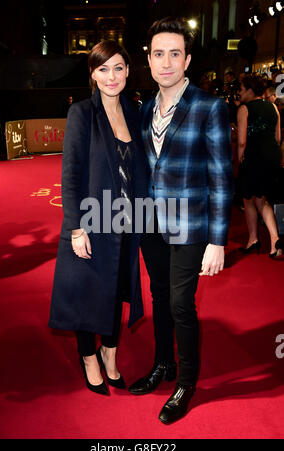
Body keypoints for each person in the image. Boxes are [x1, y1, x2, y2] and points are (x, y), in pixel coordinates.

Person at [128, 17, 234, 424]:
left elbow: (222, 178)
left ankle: (186, 380)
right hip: (150, 224)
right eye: (159, 54)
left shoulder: (209, 106)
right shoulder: (143, 109)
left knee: (180, 303)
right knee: (158, 297)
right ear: (150, 60)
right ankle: (163, 365)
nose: (166, 62)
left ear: (187, 60)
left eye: (175, 53)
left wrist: (218, 240)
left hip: (191, 225)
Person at [49, 40, 148, 395]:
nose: (112, 76)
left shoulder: (133, 111)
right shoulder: (82, 114)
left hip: (124, 223)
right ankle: (89, 358)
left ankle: (110, 354)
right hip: (90, 223)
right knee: (87, 292)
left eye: (118, 68)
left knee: (116, 289)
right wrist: (76, 228)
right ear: (92, 73)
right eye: (103, 69)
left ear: (128, 72)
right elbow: (71, 174)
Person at [237, 75, 283, 257]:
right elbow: (278, 138)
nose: (239, 92)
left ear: (249, 90)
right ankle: (274, 241)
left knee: (248, 199)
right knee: (261, 199)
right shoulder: (273, 107)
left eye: (241, 89)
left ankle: (254, 239)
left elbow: (241, 142)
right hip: (272, 157)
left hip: (254, 158)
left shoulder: (244, 109)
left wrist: (240, 159)